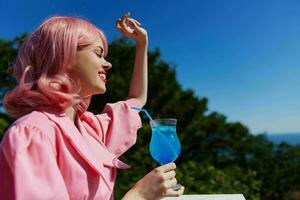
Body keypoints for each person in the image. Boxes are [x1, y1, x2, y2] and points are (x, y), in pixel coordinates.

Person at [0, 12, 184, 200]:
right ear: (65, 57)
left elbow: (136, 100)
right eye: (98, 53)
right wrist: (139, 196)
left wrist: (141, 44)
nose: (108, 64)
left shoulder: (91, 130)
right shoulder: (33, 132)